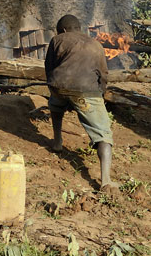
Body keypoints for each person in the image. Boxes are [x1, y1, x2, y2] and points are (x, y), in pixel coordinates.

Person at [44, 14, 117, 190]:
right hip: (86, 93)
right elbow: (104, 74)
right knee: (103, 135)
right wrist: (100, 93)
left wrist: (54, 87)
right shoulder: (96, 44)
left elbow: (49, 67)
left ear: (62, 30)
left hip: (59, 86)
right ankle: (105, 180)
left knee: (56, 104)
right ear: (79, 28)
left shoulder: (57, 39)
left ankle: (57, 142)